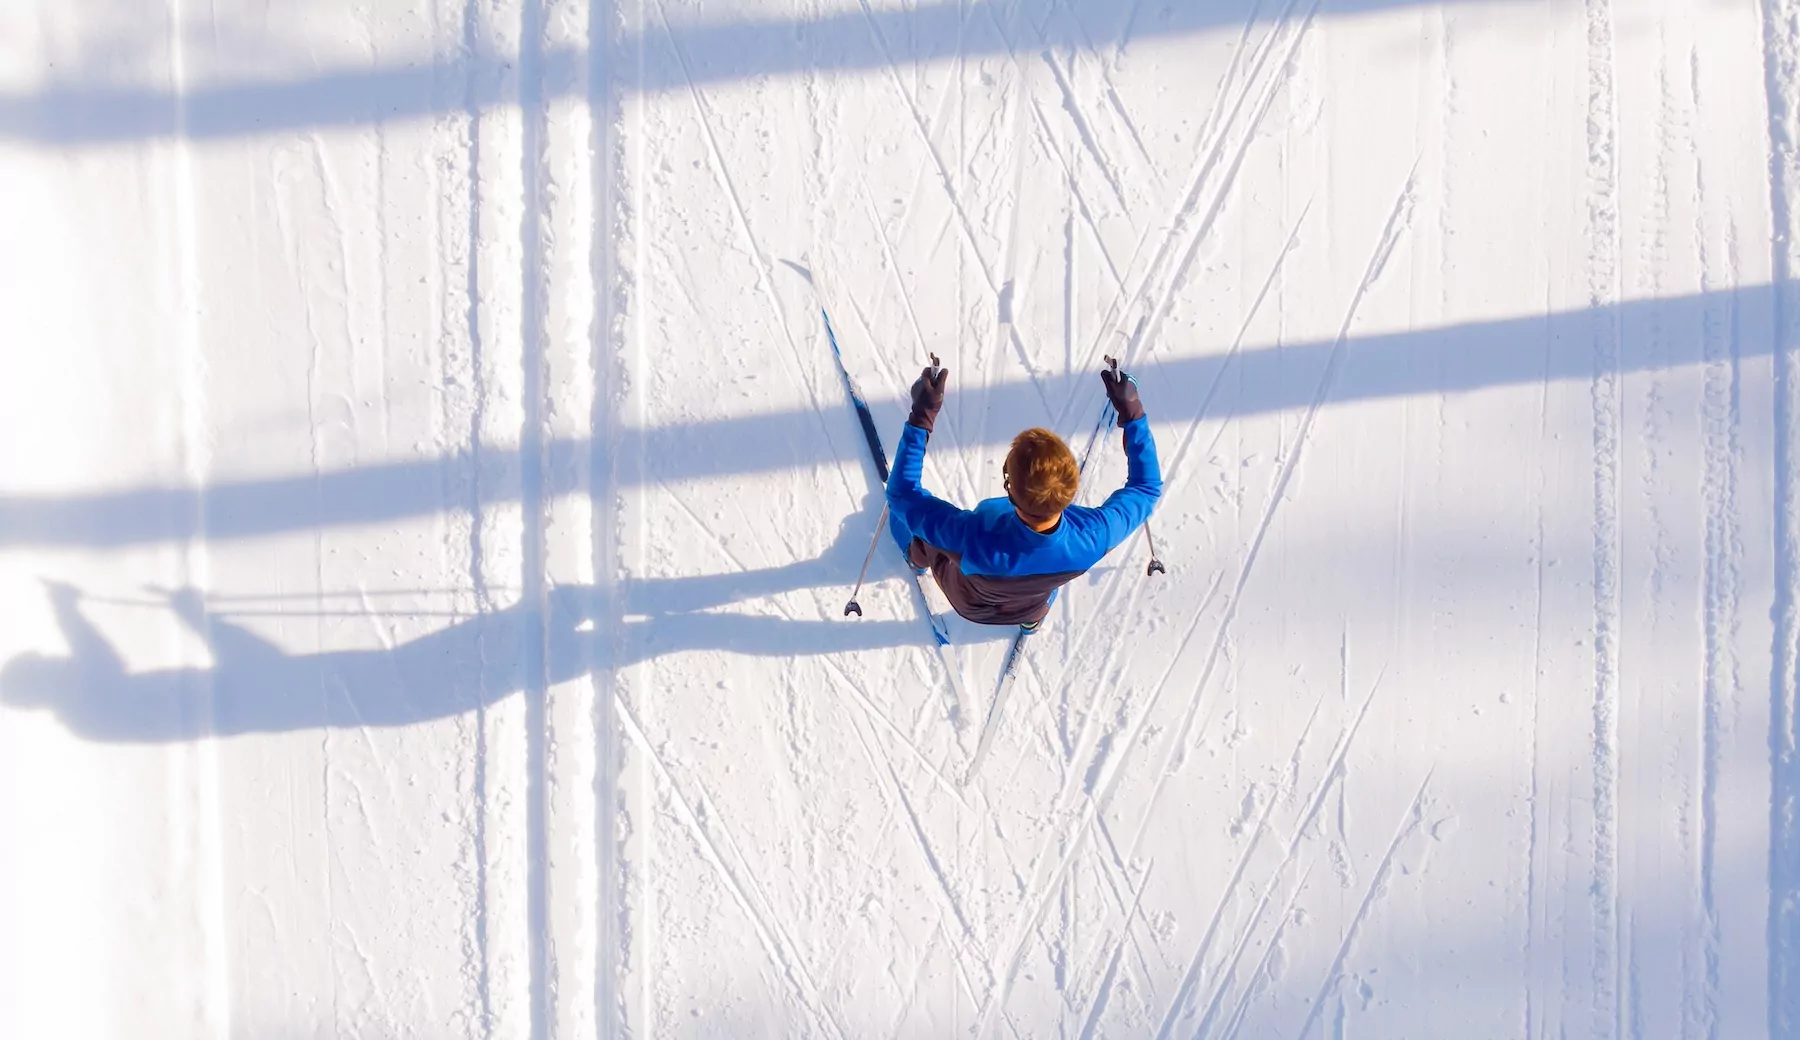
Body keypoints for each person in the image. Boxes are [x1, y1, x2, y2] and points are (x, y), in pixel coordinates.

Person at [886, 363, 1162, 630]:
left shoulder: (969, 537)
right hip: (1031, 604)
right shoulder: (1092, 537)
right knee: (1039, 590)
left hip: (969, 602)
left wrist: (922, 415)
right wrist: (1132, 412)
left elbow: (901, 493)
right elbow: (1145, 488)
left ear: (1009, 488)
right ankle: (1032, 622)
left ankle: (916, 559)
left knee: (927, 533)